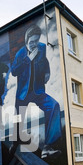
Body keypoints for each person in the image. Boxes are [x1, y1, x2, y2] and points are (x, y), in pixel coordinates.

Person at [11, 24, 61, 158]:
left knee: (54, 106)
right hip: (23, 93)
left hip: (37, 90)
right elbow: (14, 71)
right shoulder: (20, 54)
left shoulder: (42, 47)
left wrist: (47, 73)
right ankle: (16, 142)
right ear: (26, 40)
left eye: (36, 41)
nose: (34, 44)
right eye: (31, 42)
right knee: (18, 118)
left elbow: (45, 62)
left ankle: (47, 146)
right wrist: (28, 59)